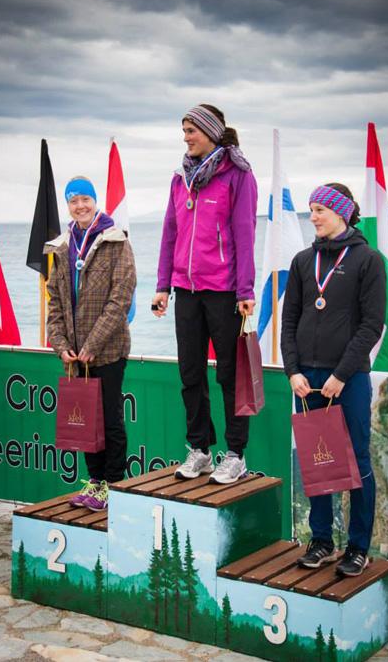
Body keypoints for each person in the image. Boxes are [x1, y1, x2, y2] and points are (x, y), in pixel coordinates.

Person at [281, 182, 386, 576]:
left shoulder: (368, 260)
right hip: (307, 379)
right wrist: (293, 370)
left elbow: (372, 325)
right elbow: (289, 321)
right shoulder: (302, 261)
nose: (313, 217)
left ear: (340, 212)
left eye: (319, 210)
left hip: (349, 378)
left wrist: (342, 374)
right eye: (310, 210)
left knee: (357, 460)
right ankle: (322, 541)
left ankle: (357, 547)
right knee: (317, 460)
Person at [152, 104, 258, 484]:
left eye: (191, 130)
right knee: (190, 373)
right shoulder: (180, 179)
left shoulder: (238, 175)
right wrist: (163, 285)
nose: (186, 138)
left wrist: (246, 289)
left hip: (224, 291)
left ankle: (236, 454)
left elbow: (245, 234)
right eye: (183, 131)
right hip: (186, 290)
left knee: (230, 376)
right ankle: (200, 450)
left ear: (211, 132)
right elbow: (170, 233)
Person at [45, 176, 136, 511]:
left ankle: (112, 485)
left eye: (85, 199)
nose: (80, 206)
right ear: (68, 206)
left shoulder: (116, 241)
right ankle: (95, 481)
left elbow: (120, 300)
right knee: (85, 420)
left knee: (110, 420)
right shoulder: (62, 246)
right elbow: (55, 301)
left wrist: (93, 344)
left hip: (108, 350)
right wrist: (61, 345)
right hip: (75, 355)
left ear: (95, 201)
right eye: (73, 201)